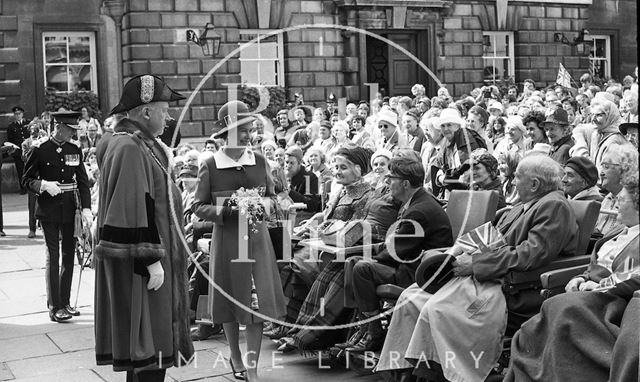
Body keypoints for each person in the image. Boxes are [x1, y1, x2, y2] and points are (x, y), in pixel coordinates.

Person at [377, 155, 579, 382]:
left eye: (517, 177)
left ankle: (441, 374)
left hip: (513, 285)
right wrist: (455, 253)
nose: (511, 182)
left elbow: (530, 255)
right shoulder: (525, 204)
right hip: (489, 275)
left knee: (438, 309)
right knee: (411, 298)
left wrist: (474, 264)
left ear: (534, 185)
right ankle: (405, 369)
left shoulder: (554, 206)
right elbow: (490, 236)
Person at [93, 75, 194, 381]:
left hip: (150, 261)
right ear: (146, 111)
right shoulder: (131, 147)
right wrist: (151, 261)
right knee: (149, 358)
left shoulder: (135, 144)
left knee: (147, 361)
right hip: (145, 266)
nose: (168, 115)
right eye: (164, 109)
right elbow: (134, 208)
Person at [505, 169, 639, 382]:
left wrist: (598, 286)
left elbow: (634, 277)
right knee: (549, 316)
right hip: (589, 294)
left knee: (563, 309)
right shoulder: (619, 230)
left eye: (621, 200)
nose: (614, 204)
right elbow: (594, 264)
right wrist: (582, 277)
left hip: (613, 302)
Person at [192, 100, 285, 382]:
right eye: (241, 131)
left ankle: (254, 368)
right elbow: (198, 207)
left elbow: (274, 197)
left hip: (256, 241)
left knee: (255, 306)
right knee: (231, 304)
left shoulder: (259, 161)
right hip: (229, 242)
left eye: (249, 130)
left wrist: (262, 205)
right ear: (225, 134)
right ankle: (235, 356)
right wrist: (229, 209)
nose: (248, 135)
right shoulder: (209, 164)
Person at [344, 157, 453, 352]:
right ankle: (364, 326)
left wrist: (373, 257)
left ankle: (374, 331)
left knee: (361, 268)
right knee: (353, 261)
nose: (387, 181)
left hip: (420, 274)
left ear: (405, 183)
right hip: (413, 264)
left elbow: (396, 252)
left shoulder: (419, 210)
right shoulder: (417, 201)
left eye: (391, 178)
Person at [21, 111, 92, 322]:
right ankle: (54, 306)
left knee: (69, 256)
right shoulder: (40, 149)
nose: (72, 133)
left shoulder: (74, 150)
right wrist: (42, 185)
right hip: (48, 208)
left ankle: (65, 301)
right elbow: (26, 179)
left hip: (70, 208)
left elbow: (83, 182)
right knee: (53, 256)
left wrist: (86, 209)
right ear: (58, 127)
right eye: (70, 129)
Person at [284, 145, 321, 223]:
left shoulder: (309, 177)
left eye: (292, 163)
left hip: (305, 219)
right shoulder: (284, 176)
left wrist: (290, 192)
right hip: (288, 216)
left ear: (299, 163)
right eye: (287, 162)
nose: (288, 166)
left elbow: (312, 205)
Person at [589, 99, 627, 171]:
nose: (593, 119)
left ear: (610, 116)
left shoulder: (616, 139)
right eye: (592, 114)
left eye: (599, 115)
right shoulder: (597, 134)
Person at [21, 123, 43, 238]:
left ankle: (47, 228)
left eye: (36, 129)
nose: (34, 131)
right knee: (32, 204)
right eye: (32, 129)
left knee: (48, 203)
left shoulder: (44, 141)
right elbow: (24, 158)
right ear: (29, 130)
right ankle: (32, 229)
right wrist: (33, 148)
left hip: (44, 176)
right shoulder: (25, 143)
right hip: (32, 178)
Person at [7, 106, 30, 194]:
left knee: (30, 168)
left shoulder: (28, 123)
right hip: (18, 152)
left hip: (28, 150)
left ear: (22, 114)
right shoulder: (11, 126)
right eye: (16, 114)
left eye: (19, 114)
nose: (18, 115)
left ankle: (30, 186)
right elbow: (10, 140)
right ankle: (23, 188)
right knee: (20, 171)